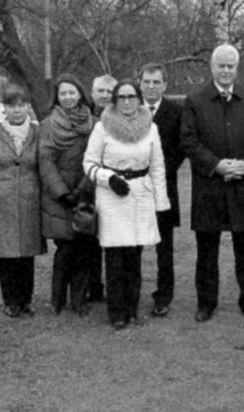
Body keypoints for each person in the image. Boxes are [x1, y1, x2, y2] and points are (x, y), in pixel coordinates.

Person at [180, 44, 244, 323]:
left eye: (231, 65)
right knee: (207, 250)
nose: (226, 70)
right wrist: (217, 166)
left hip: (242, 185)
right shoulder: (195, 101)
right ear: (212, 67)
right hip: (209, 188)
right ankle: (206, 303)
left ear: (237, 67)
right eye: (221, 65)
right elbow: (188, 141)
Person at [84, 79, 169, 329]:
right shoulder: (102, 128)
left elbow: (157, 167)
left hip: (140, 195)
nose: (127, 102)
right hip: (113, 196)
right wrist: (107, 178)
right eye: (122, 97)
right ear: (115, 100)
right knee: (115, 256)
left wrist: (160, 203)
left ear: (139, 98)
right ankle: (117, 311)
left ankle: (132, 307)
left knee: (134, 256)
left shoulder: (150, 128)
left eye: (132, 96)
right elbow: (88, 164)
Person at [0, 85, 44, 317]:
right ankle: (11, 300)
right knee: (4, 253)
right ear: (5, 109)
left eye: (21, 105)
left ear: (28, 107)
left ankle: (26, 299)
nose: (17, 110)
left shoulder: (37, 132)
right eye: (12, 106)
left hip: (29, 200)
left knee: (26, 253)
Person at [39, 73, 100, 316]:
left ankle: (79, 299)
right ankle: (57, 299)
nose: (67, 97)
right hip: (58, 196)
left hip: (86, 192)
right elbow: (45, 160)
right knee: (64, 249)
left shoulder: (94, 123)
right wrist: (62, 193)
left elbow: (99, 157)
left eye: (71, 92)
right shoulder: (48, 124)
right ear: (57, 97)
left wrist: (83, 188)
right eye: (63, 93)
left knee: (85, 249)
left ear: (80, 94)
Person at [140, 63, 185, 318]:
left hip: (163, 188)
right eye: (146, 81)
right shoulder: (131, 109)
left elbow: (181, 149)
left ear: (165, 85)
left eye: (156, 82)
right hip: (133, 188)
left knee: (164, 247)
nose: (151, 86)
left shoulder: (175, 112)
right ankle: (130, 291)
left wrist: (158, 173)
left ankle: (163, 296)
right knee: (132, 244)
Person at [87, 73, 117, 302]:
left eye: (109, 91)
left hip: (113, 186)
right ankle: (92, 286)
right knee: (90, 241)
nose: (105, 95)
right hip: (87, 186)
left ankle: (116, 285)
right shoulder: (84, 117)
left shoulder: (120, 117)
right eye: (101, 91)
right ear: (92, 93)